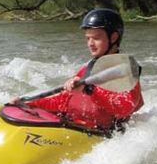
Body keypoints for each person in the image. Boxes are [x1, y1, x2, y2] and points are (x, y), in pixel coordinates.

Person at [14, 8, 144, 133]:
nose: (90, 44)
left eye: (96, 38)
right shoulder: (87, 70)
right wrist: (28, 104)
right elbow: (62, 102)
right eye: (88, 38)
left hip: (103, 137)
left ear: (113, 37)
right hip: (75, 127)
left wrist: (90, 90)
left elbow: (124, 109)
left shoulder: (126, 71)